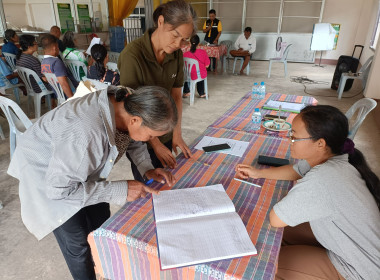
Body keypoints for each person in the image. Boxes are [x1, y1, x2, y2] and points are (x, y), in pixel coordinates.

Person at [7, 85, 178, 280]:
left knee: (101, 223)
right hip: (46, 173)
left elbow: (135, 140)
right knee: (77, 241)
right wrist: (121, 189)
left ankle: (104, 269)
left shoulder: (129, 102)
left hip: (74, 165)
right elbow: (58, 190)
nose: (151, 140)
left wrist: (147, 168)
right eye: (152, 136)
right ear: (135, 120)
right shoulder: (86, 134)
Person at [235, 105, 380, 280]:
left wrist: (298, 194)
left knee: (267, 263)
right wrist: (258, 173)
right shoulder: (335, 159)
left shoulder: (322, 178)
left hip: (359, 269)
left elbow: (276, 219)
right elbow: (296, 170)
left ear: (320, 143)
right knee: (279, 235)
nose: (290, 140)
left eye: (294, 136)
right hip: (349, 244)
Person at [118, 0, 195, 181]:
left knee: (168, 181)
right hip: (143, 139)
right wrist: (156, 144)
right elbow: (133, 110)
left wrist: (176, 134)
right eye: (175, 35)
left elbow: (176, 95)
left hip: (164, 131)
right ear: (160, 22)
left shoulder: (175, 54)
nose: (178, 44)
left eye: (184, 39)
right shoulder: (133, 55)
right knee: (148, 184)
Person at [41, 34, 78, 99]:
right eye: (58, 47)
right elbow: (63, 83)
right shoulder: (57, 62)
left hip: (58, 94)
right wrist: (72, 99)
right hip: (72, 92)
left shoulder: (43, 62)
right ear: (55, 48)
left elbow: (45, 79)